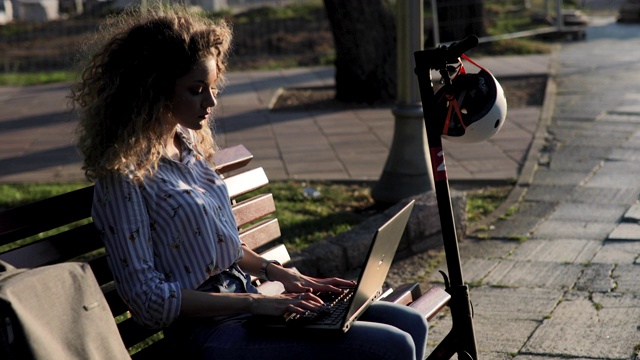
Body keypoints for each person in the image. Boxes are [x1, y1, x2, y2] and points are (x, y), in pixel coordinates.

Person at [71, 4, 428, 360]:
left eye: (211, 87)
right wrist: (256, 302)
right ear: (154, 89)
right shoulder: (123, 178)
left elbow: (219, 248)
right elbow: (148, 303)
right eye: (195, 89)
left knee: (411, 323)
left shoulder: (187, 144)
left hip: (249, 306)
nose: (210, 101)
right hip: (208, 334)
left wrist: (288, 277)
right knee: (394, 346)